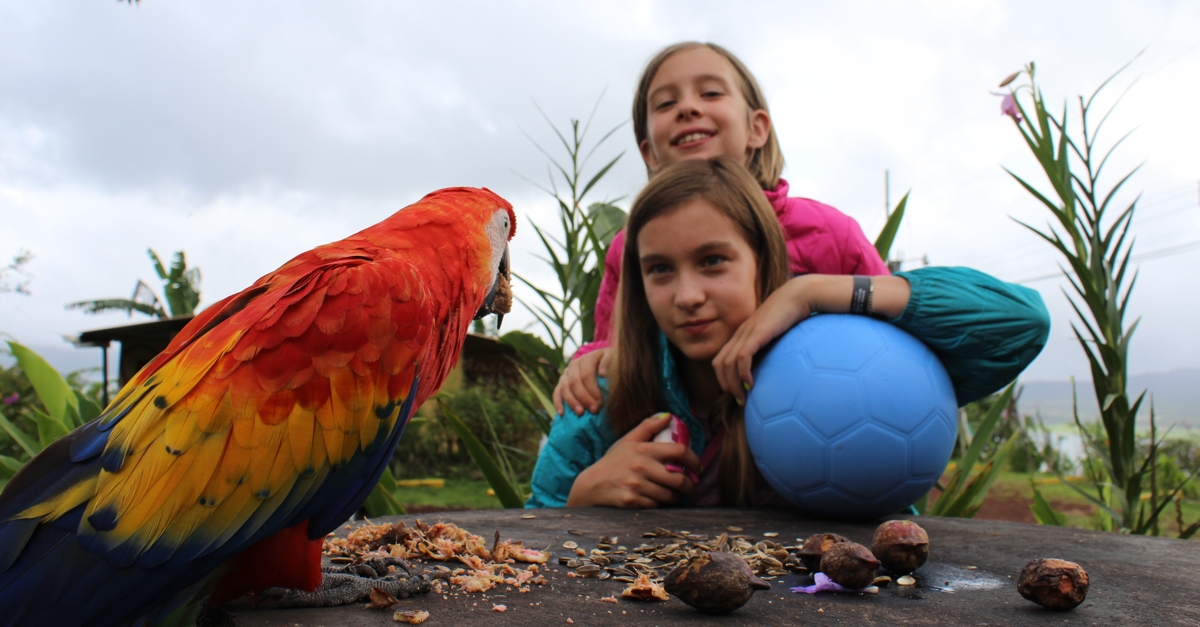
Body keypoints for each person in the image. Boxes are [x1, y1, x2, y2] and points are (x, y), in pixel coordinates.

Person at [526, 157, 1050, 509]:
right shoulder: (603, 396)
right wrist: (583, 498)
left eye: (713, 261)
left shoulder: (844, 362)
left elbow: (1021, 323)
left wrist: (811, 294)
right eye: (660, 269)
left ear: (762, 260)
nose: (687, 295)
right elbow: (531, 541)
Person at [553, 41, 890, 419]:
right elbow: (614, 346)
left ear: (756, 129)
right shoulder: (629, 247)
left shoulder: (829, 231)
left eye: (711, 93)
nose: (688, 108)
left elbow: (898, 327)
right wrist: (591, 362)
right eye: (665, 104)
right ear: (649, 153)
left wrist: (808, 294)